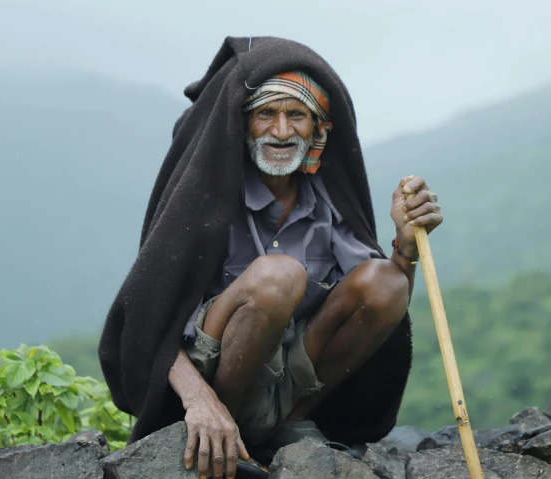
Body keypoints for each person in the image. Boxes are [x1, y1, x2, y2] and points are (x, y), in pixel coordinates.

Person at [98, 36, 444, 479]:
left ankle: (281, 426)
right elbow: (148, 322)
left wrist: (406, 247)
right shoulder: (205, 201)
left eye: (296, 115)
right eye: (266, 114)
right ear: (241, 125)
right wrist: (200, 402)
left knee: (386, 280)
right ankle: (222, 428)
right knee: (277, 278)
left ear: (318, 129)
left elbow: (382, 303)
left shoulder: (325, 205)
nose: (281, 132)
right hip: (203, 381)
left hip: (286, 384)